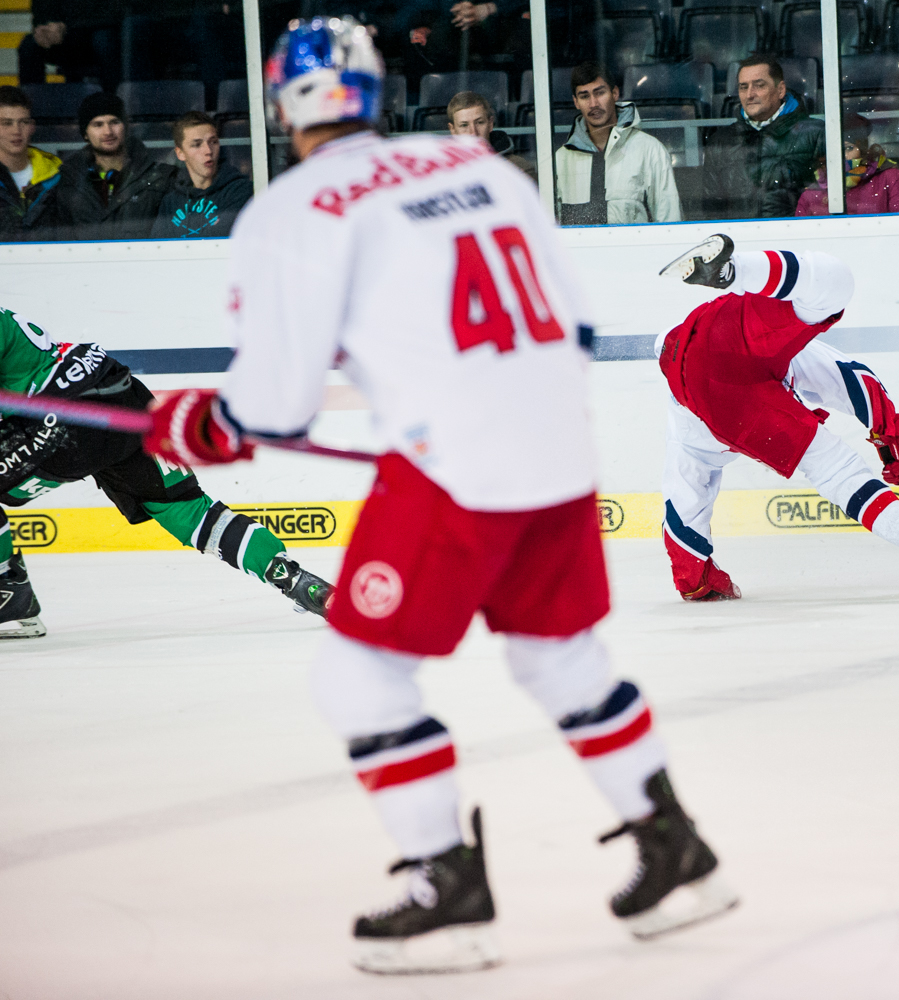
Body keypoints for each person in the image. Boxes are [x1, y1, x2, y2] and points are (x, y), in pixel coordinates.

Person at [140, 18, 735, 973]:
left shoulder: (294, 212)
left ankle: (445, 885)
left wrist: (196, 427)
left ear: (282, 103)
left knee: (358, 676)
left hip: (457, 474)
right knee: (558, 657)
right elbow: (569, 326)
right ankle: (678, 849)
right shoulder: (480, 168)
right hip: (557, 452)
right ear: (374, 91)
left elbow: (272, 404)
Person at [656, 233, 899, 600]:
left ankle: (733, 271)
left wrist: (697, 581)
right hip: (720, 341)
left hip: (703, 343)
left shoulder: (688, 438)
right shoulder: (772, 378)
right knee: (839, 471)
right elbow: (853, 378)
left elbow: (682, 506)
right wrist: (892, 436)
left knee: (834, 286)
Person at [0, 307, 332, 640]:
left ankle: (9, 590)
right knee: (191, 513)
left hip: (65, 421)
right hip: (119, 389)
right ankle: (296, 579)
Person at [555, 62, 682, 225]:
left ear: (615, 93)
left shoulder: (650, 150)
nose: (593, 104)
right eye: (584, 96)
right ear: (576, 102)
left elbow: (669, 224)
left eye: (599, 93)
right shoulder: (560, 160)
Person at [701, 55, 825, 219]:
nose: (750, 95)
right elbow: (713, 211)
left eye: (759, 86)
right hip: (741, 241)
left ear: (780, 90)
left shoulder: (816, 133)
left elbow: (826, 201)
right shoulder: (721, 140)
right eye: (743, 87)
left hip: (795, 240)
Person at [58, 92, 175, 242]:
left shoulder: (159, 175)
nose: (108, 131)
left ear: (125, 126)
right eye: (98, 124)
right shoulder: (69, 180)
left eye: (114, 122)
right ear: (85, 133)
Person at [150, 111, 253, 239]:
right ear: (180, 153)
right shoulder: (171, 201)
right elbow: (160, 248)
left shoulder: (240, 191)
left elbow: (223, 241)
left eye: (213, 142)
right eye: (197, 145)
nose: (208, 151)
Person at [796, 112, 899, 216]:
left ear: (862, 150)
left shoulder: (890, 179)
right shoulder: (813, 191)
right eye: (835, 150)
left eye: (849, 148)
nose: (842, 156)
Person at [0, 87, 67, 243]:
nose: (16, 131)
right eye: (6, 123)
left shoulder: (58, 176)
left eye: (23, 122)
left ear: (32, 127)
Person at [17, 1, 123, 93]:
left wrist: (66, 27)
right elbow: (40, 10)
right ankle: (31, 108)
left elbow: (114, 12)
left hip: (99, 30)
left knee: (105, 40)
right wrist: (44, 26)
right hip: (64, 37)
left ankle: (112, 105)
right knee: (29, 45)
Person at [445, 91, 535, 179]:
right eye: (464, 125)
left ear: (490, 124)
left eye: (479, 122)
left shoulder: (518, 170)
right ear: (452, 129)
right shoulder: (442, 173)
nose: (473, 132)